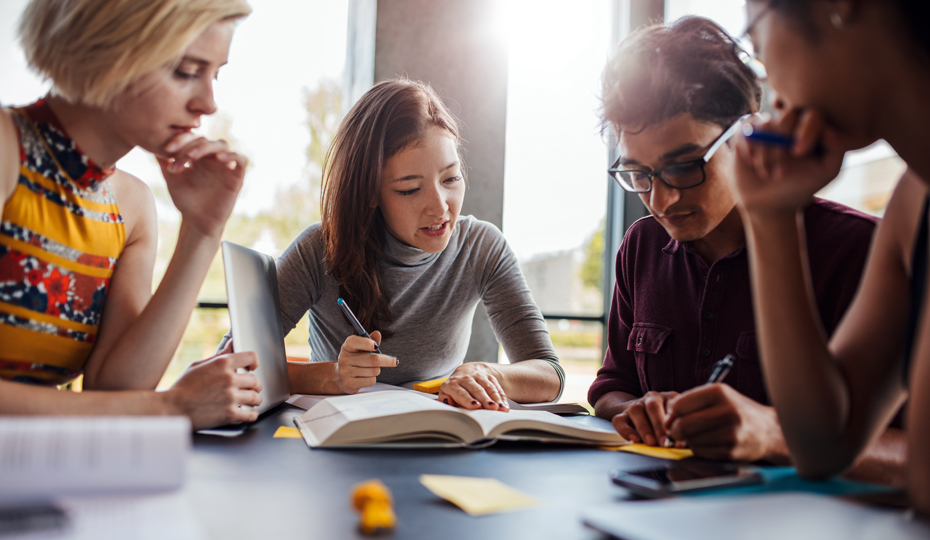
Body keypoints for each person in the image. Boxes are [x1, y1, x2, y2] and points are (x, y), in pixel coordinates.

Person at [587, 16, 905, 483]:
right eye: (639, 174)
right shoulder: (642, 246)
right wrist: (637, 411)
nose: (661, 200)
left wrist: (774, 436)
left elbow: (912, 453)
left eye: (684, 167)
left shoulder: (863, 250)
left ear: (745, 134)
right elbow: (611, 387)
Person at [223, 78, 563, 410]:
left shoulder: (481, 247)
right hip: (337, 445)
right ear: (370, 192)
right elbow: (230, 364)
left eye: (451, 178)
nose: (441, 206)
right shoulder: (320, 248)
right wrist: (333, 377)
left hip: (438, 437)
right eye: (410, 190)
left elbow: (550, 374)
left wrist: (490, 373)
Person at [0, 0, 262, 429]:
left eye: (215, 74)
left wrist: (202, 230)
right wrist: (169, 407)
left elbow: (114, 393)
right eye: (186, 71)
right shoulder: (6, 147)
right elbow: (131, 406)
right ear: (108, 51)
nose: (209, 103)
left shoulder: (132, 205)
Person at [731, 0, 930, 513]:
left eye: (756, 39)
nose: (767, 75)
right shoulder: (912, 205)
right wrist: (771, 218)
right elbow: (824, 444)